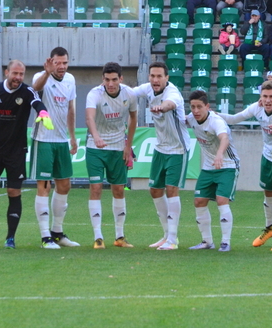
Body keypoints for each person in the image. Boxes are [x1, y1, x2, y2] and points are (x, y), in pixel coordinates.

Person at [0, 60, 52, 249]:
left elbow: (37, 102)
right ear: (7, 72)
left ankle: (10, 238)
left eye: (21, 74)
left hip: (16, 151)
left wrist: (43, 112)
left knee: (14, 192)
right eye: (15, 73)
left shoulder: (27, 91)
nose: (18, 78)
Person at [219, 80, 272, 251]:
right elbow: (234, 118)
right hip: (268, 156)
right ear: (260, 97)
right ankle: (270, 228)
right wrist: (213, 114)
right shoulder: (257, 107)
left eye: (271, 97)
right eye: (265, 96)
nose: (268, 100)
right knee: (269, 193)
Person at [132, 62, 191, 250]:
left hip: (178, 148)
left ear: (167, 78)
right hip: (160, 148)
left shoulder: (172, 94)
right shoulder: (148, 89)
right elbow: (131, 92)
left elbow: (170, 104)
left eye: (159, 76)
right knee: (155, 190)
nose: (155, 80)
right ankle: (166, 235)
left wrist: (161, 108)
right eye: (152, 76)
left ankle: (173, 239)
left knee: (171, 189)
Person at [83, 61, 138, 248]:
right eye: (107, 79)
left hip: (117, 148)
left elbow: (133, 119)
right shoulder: (94, 94)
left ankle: (120, 237)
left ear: (121, 79)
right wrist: (96, 136)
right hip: (95, 147)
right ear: (103, 79)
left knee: (119, 190)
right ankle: (98, 237)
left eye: (114, 79)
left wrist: (127, 147)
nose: (111, 83)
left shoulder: (129, 94)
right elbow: (89, 117)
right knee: (96, 188)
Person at [30, 48, 81, 250]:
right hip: (43, 138)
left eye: (65, 63)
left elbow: (71, 109)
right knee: (44, 185)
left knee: (65, 185)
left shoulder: (70, 80)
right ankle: (45, 237)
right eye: (58, 63)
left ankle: (57, 232)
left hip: (61, 140)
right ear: (51, 61)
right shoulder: (41, 76)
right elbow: (34, 89)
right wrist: (47, 72)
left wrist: (73, 137)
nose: (62, 67)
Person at [183, 90, 239, 252]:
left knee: (222, 200)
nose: (195, 110)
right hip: (208, 166)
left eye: (199, 107)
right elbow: (179, 120)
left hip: (227, 165)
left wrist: (220, 155)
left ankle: (225, 242)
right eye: (192, 107)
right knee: (199, 201)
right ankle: (206, 241)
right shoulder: (191, 118)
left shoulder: (216, 121)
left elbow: (224, 138)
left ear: (207, 106)